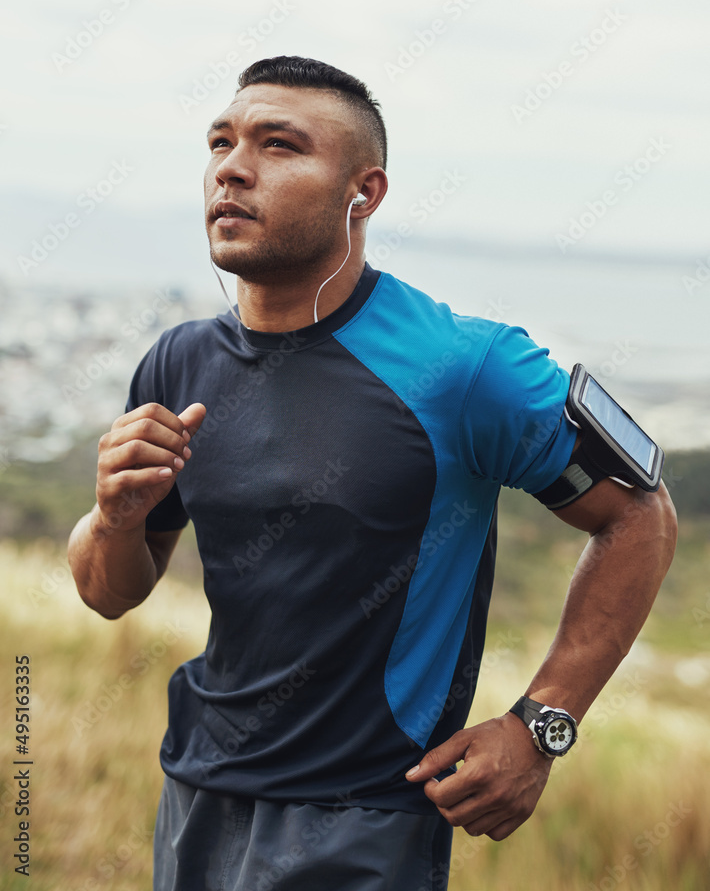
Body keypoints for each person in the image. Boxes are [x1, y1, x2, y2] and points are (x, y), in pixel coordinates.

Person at [68, 55, 677, 891]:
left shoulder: (465, 365)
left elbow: (641, 516)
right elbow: (109, 592)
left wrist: (541, 727)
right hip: (196, 793)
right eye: (221, 142)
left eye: (279, 146)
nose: (233, 168)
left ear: (365, 191)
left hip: (361, 821)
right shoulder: (179, 361)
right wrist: (113, 520)